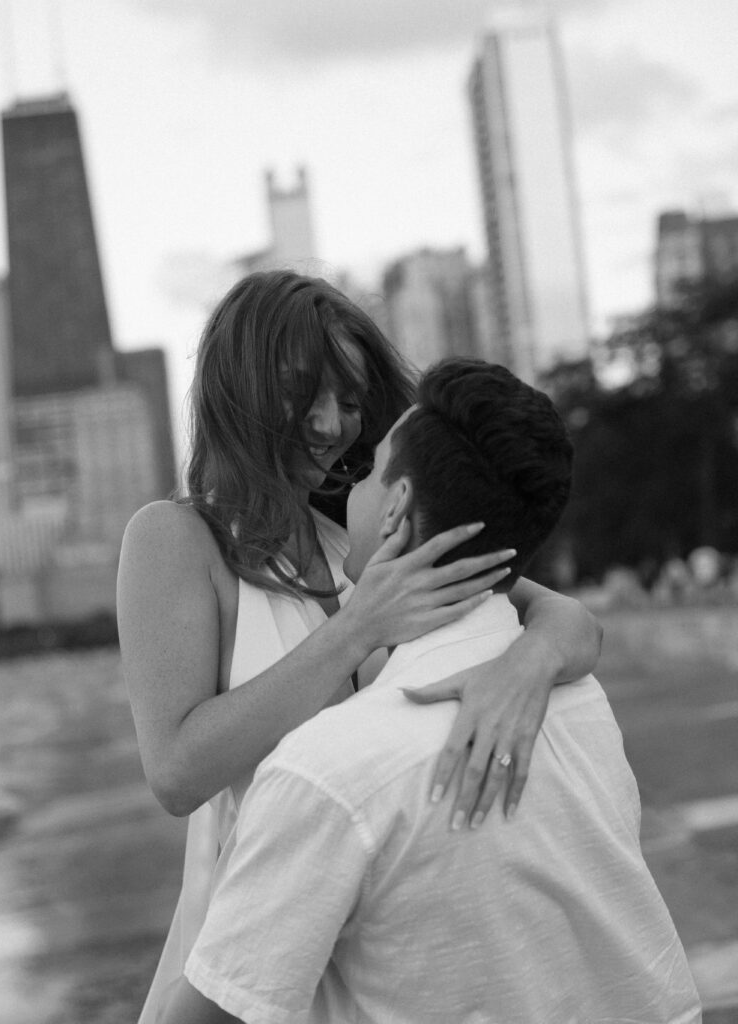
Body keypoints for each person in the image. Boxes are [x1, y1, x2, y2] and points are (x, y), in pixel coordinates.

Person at [117, 272, 602, 1023]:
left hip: (385, 960)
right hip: (244, 960)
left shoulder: (360, 535)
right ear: (237, 386)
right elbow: (178, 772)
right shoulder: (176, 540)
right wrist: (357, 628)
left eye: (349, 398)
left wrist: (527, 668)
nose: (331, 423)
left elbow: (565, 618)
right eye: (301, 392)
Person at [162, 359, 701, 1024]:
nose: (342, 473)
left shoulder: (327, 772)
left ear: (395, 511)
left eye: (364, 473)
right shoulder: (584, 703)